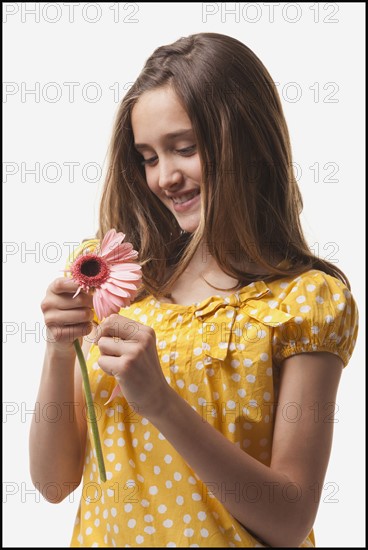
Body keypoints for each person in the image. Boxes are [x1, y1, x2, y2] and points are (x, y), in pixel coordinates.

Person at [30, 32, 359, 548]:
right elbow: (53, 483)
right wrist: (57, 347)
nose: (164, 177)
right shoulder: (122, 282)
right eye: (148, 157)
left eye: (184, 149)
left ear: (246, 142)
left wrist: (159, 400)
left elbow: (290, 520)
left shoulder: (303, 303)